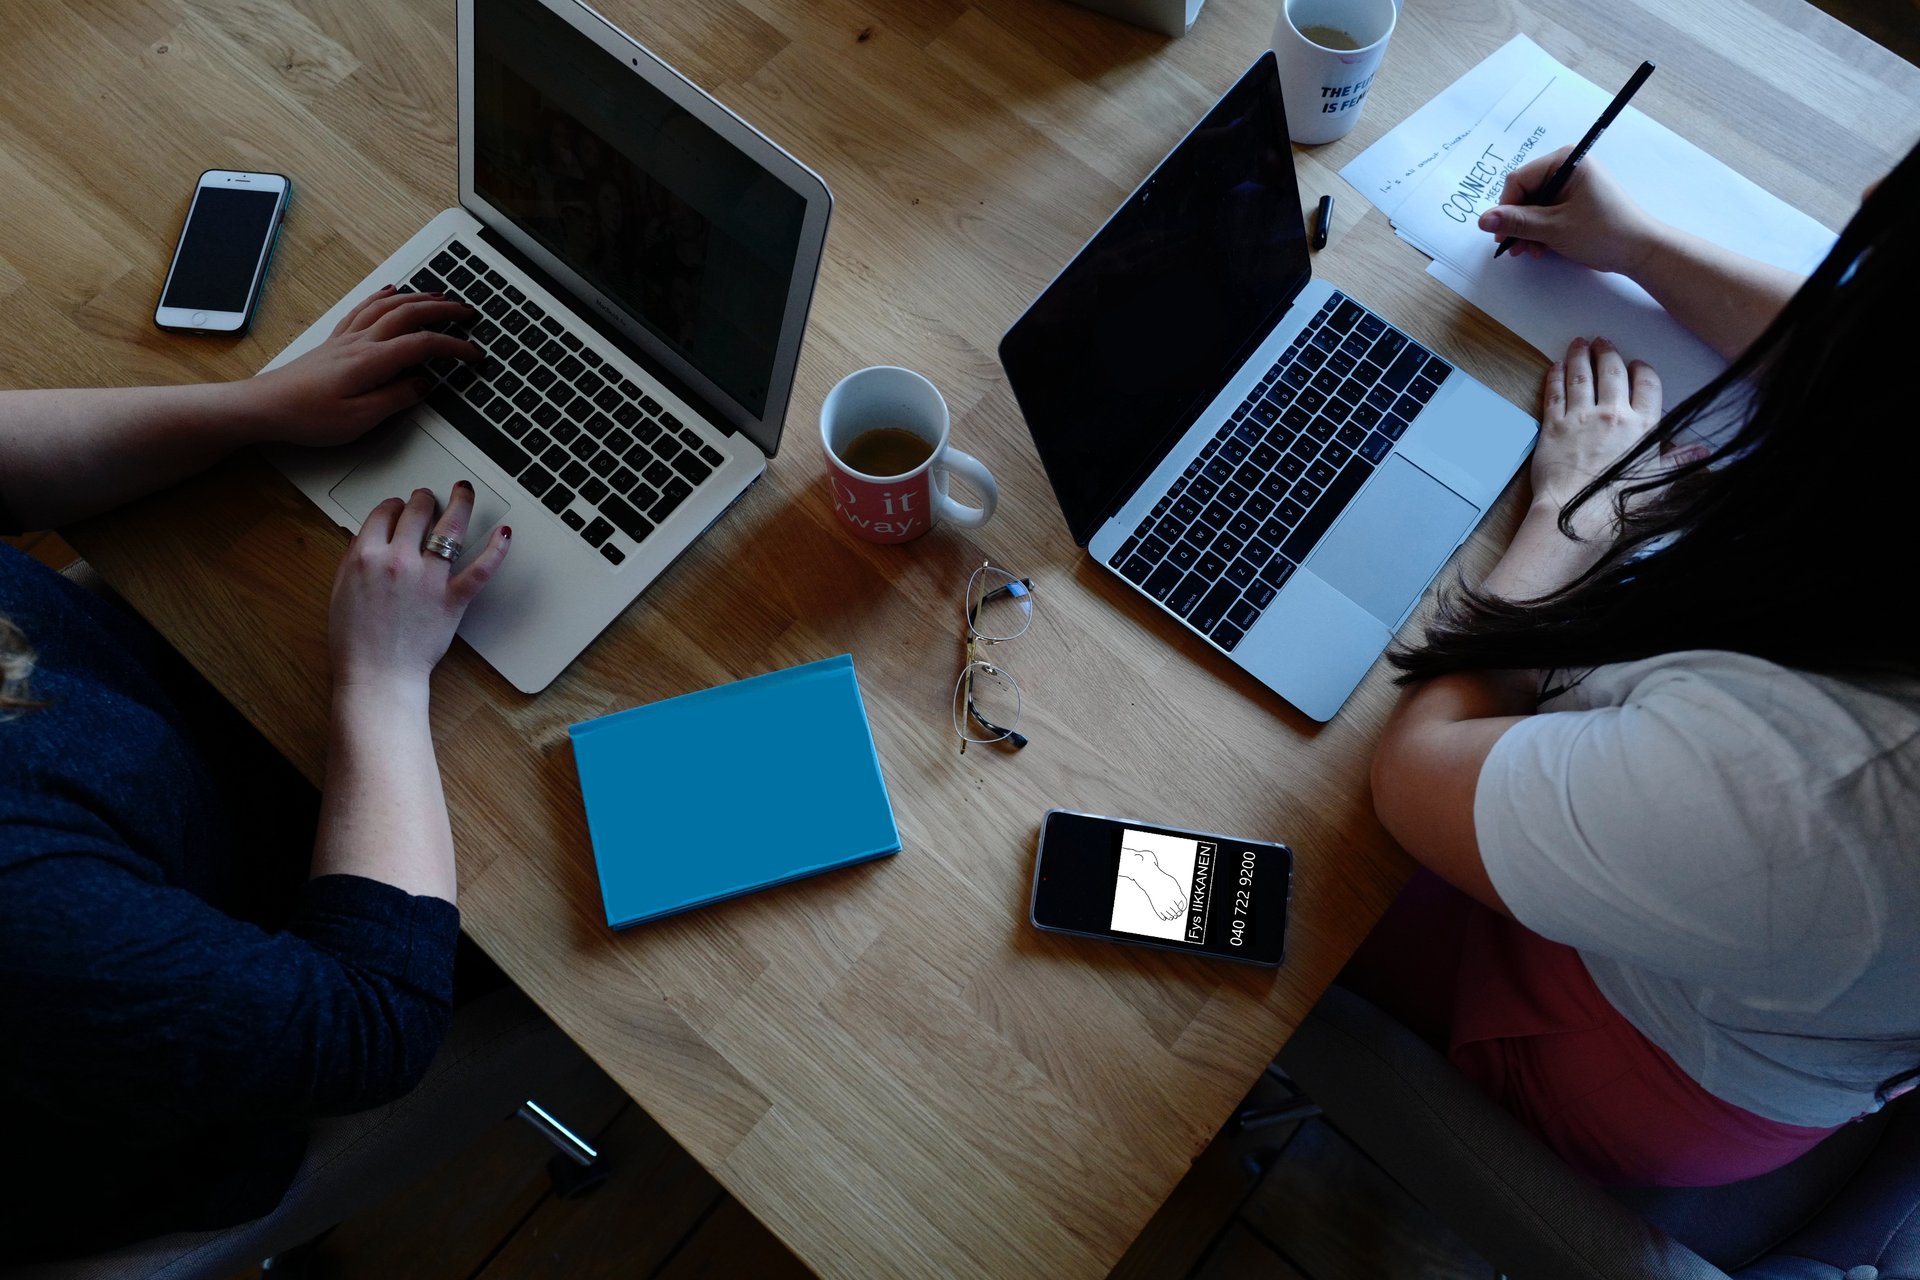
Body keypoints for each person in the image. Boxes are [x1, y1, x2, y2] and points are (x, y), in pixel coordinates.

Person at [1352, 139, 1920, 1187]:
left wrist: (1581, 509)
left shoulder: (1823, 794)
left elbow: (1413, 770)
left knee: (1275, 848)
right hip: (1776, 968)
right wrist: (1639, 247)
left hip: (1621, 1050)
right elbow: (1875, 366)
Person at [0, 286, 511, 1260]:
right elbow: (374, 1017)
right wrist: (382, 680)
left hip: (164, 740)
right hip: (234, 1026)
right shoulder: (27, 910)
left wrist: (253, 406)